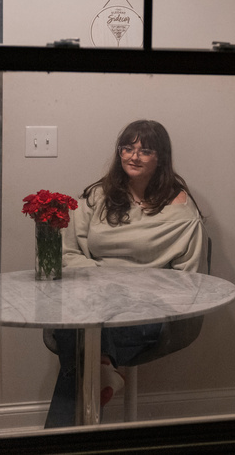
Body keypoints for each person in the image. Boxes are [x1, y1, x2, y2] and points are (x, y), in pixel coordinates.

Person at [44, 120, 207, 428]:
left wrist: (135, 293)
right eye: (127, 148)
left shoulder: (183, 213)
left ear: (161, 157)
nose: (133, 156)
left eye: (145, 150)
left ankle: (60, 434)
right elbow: (67, 253)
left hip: (146, 310)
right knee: (82, 331)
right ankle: (103, 368)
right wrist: (106, 284)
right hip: (92, 299)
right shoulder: (97, 196)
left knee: (81, 338)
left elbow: (188, 280)